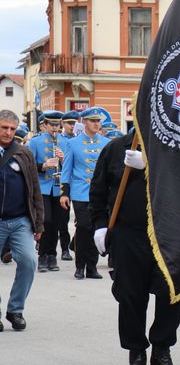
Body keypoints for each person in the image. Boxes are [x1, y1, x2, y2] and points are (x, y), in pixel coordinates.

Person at [90, 131, 180, 365]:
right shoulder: (114, 149)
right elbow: (98, 190)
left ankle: (161, 350)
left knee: (173, 294)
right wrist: (100, 225)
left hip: (169, 234)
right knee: (130, 295)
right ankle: (136, 354)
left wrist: (150, 167)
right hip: (128, 233)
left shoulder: (176, 146)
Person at [0, 109, 44, 331]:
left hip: (20, 220)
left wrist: (39, 223)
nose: (8, 132)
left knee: (28, 261)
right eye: (4, 127)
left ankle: (15, 310)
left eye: (12, 129)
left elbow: (35, 189)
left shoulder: (24, 153)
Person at [60, 107, 110, 280]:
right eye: (93, 121)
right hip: (80, 192)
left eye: (98, 121)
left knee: (97, 228)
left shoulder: (105, 143)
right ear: (84, 122)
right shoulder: (72, 143)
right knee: (84, 228)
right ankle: (80, 266)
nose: (97, 124)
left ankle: (92, 267)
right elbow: (66, 170)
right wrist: (64, 193)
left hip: (100, 194)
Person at [28, 110, 68, 273]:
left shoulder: (65, 142)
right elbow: (29, 166)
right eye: (51, 125)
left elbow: (71, 167)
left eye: (57, 125)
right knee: (46, 221)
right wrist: (43, 166)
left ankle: (52, 254)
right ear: (44, 125)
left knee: (58, 223)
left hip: (59, 188)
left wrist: (63, 158)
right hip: (43, 188)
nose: (55, 128)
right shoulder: (36, 142)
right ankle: (43, 255)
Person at [56, 112, 77, 261]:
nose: (72, 126)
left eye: (74, 123)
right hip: (62, 184)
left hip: (77, 185)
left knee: (81, 220)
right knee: (63, 219)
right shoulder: (59, 140)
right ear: (63, 124)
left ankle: (74, 244)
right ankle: (64, 249)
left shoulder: (79, 140)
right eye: (69, 123)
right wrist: (62, 160)